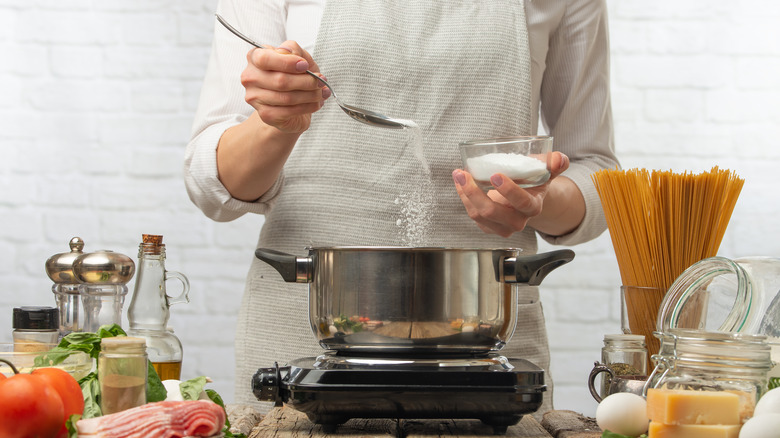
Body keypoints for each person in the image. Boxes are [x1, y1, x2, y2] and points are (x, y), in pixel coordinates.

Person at [185, 0, 619, 415]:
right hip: (300, 333)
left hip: (485, 352)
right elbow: (210, 186)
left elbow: (597, 171)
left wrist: (535, 201)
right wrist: (275, 124)